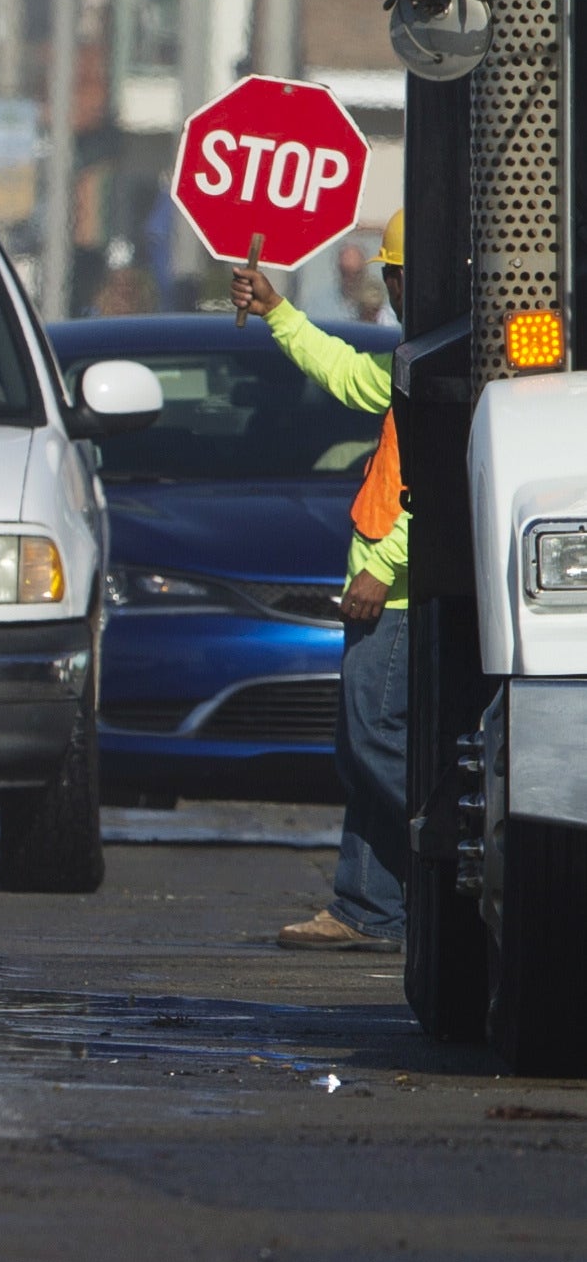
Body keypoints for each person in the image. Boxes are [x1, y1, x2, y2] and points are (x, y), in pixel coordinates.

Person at [229, 215, 408, 951]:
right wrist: (278, 310)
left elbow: (435, 483)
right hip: (389, 593)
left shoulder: (447, 368)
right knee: (363, 749)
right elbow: (344, 372)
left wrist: (382, 566)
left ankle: (459, 858)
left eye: (394, 274)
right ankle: (369, 907)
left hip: (397, 594)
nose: (389, 287)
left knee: (380, 747)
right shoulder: (411, 362)